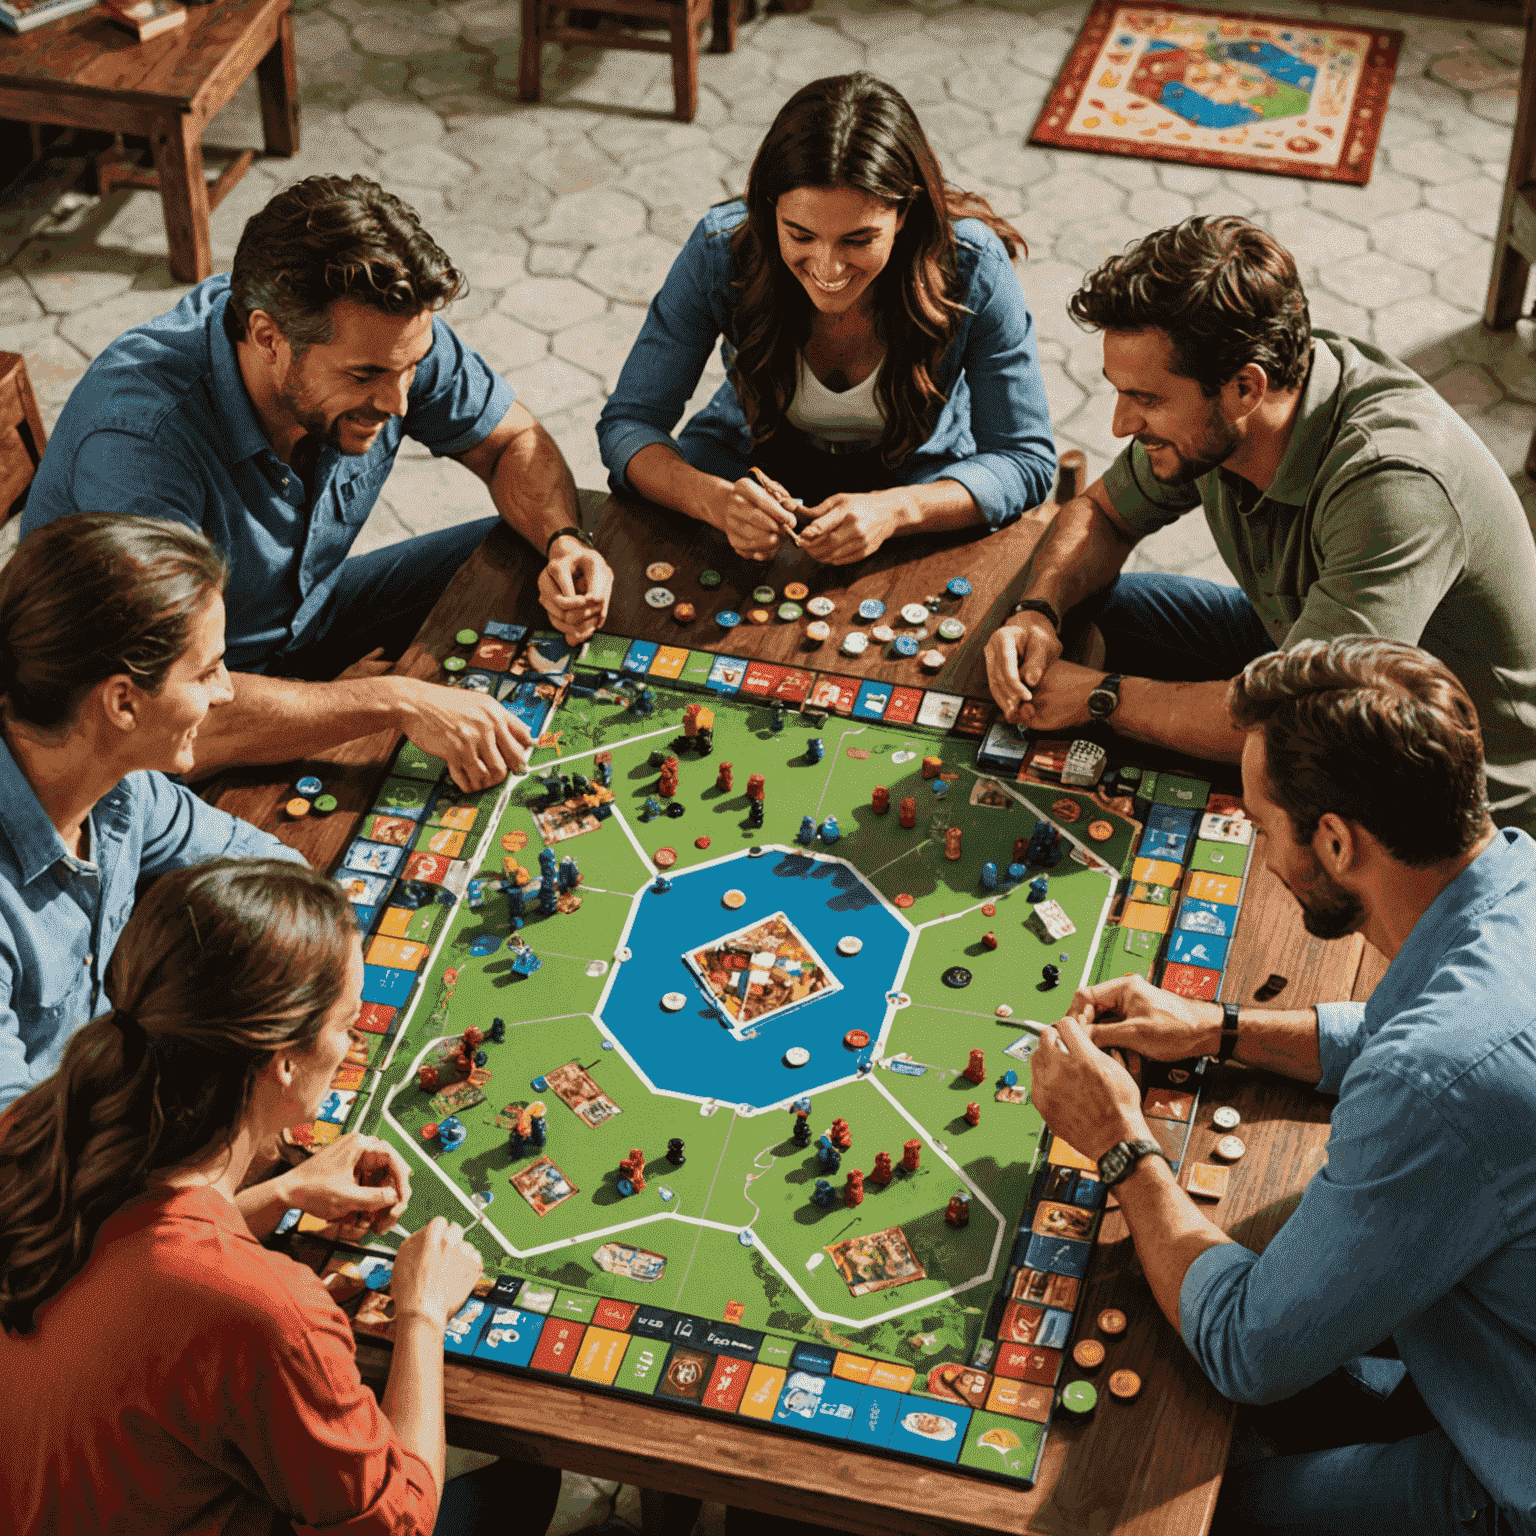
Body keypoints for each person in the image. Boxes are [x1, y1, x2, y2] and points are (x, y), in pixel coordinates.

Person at [1030, 637, 1535, 1536]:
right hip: (1493, 1335)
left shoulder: (1431, 1082)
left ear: (1335, 841)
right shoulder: (1515, 881)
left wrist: (1119, 1142)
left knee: (1180, 1518)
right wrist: (1220, 1028)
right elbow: (1407, 1034)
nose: (1257, 845)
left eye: (1261, 824)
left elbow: (1244, 1345)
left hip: (1514, 1459)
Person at [0, 856, 564, 1534]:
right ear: (286, 1060)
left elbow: (127, 1271)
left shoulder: (29, 1134)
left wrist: (282, 1192)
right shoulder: (266, 1314)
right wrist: (422, 1312)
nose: (355, 1045)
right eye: (348, 1023)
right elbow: (401, 1524)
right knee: (531, 1480)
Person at [24, 174, 614, 792]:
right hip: (173, 717)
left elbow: (512, 445)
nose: (398, 400)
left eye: (413, 367)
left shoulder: (386, 338)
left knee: (527, 547)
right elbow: (165, 715)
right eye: (366, 376)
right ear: (267, 337)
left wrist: (563, 540)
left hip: (302, 622)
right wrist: (389, 701)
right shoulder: (139, 444)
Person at [983, 215, 1536, 834]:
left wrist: (1101, 696)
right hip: (1300, 652)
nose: (1119, 426)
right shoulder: (1229, 410)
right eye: (1120, 392)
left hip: (1439, 779)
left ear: (1246, 387)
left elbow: (1296, 726)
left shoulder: (1393, 489)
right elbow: (1102, 514)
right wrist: (1040, 610)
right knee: (1095, 610)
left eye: (1147, 399)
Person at [597, 72, 1057, 565]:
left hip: (919, 479)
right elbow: (630, 422)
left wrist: (899, 509)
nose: (828, 270)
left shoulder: (971, 265)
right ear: (768, 210)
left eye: (858, 240)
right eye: (799, 235)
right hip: (748, 468)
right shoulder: (722, 249)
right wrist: (713, 500)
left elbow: (1023, 460)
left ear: (904, 215)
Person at [0, 514, 308, 1112]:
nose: (227, 693)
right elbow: (16, 1154)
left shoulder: (121, 786)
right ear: (122, 701)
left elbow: (273, 867)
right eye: (206, 671)